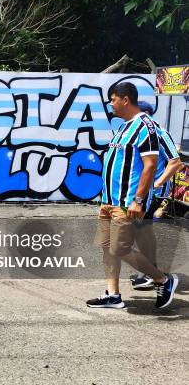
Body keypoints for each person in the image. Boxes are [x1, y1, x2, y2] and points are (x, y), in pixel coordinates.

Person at [86, 83, 178, 309]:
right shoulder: (124, 127)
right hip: (109, 200)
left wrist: (138, 199)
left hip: (126, 202)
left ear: (125, 100)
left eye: (113, 99)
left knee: (121, 249)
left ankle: (162, 280)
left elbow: (150, 165)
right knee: (107, 247)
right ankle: (112, 294)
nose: (111, 104)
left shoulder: (145, 126)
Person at [129, 101, 182, 289]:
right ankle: (149, 271)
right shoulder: (144, 134)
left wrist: (159, 183)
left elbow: (175, 162)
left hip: (155, 192)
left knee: (141, 230)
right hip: (145, 191)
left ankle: (152, 273)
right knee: (142, 230)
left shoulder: (160, 133)